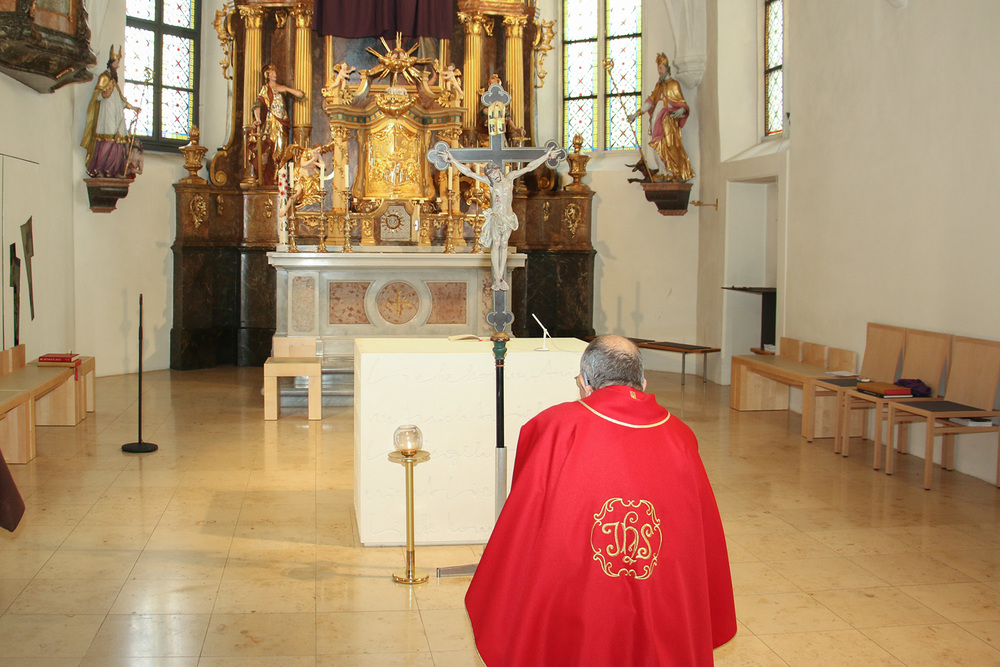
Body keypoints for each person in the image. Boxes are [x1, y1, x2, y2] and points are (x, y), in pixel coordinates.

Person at [465, 335, 736, 666]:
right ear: (643, 383)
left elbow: (524, 521)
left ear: (584, 382)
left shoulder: (554, 427)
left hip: (579, 603)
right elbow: (700, 537)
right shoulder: (681, 436)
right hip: (664, 601)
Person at [442, 144, 560, 290]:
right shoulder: (491, 184)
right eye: (491, 175)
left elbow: (529, 167)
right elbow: (469, 172)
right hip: (496, 217)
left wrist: (546, 156)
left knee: (504, 244)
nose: (494, 176)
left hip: (508, 217)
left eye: (494, 173)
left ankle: (500, 276)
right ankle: (497, 277)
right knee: (496, 243)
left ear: (498, 170)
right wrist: (452, 160)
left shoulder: (510, 178)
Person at [628, 52, 695, 182]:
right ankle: (663, 172)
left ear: (667, 68)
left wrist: (681, 109)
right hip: (657, 122)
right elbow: (650, 102)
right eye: (658, 68)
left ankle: (675, 172)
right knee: (657, 145)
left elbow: (681, 103)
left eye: (661, 68)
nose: (659, 71)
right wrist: (635, 114)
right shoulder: (658, 86)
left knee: (670, 145)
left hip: (668, 121)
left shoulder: (674, 84)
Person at [80, 46, 142, 178]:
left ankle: (113, 170)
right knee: (107, 141)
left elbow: (121, 100)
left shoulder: (114, 81)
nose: (118, 65)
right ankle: (99, 169)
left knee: (117, 143)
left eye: (119, 62)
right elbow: (97, 96)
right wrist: (104, 95)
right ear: (112, 62)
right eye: (117, 62)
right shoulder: (104, 77)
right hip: (107, 115)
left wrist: (133, 108)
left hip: (117, 115)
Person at [251, 64, 304, 184]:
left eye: (275, 72)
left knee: (282, 150)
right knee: (271, 149)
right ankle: (270, 178)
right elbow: (258, 105)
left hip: (282, 122)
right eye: (271, 73)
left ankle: (278, 177)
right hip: (272, 122)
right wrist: (258, 118)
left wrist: (286, 89)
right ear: (267, 75)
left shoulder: (281, 88)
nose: (274, 74)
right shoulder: (265, 89)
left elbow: (301, 95)